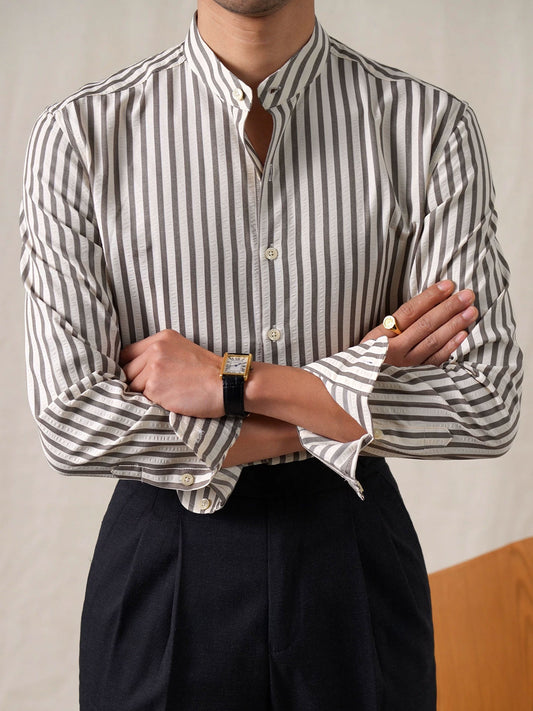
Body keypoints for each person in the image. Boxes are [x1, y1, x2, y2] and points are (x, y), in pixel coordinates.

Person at [20, 0, 522, 709]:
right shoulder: (81, 136)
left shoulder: (428, 126)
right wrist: (345, 384)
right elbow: (72, 421)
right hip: (165, 557)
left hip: (354, 553)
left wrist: (233, 381)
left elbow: (485, 402)